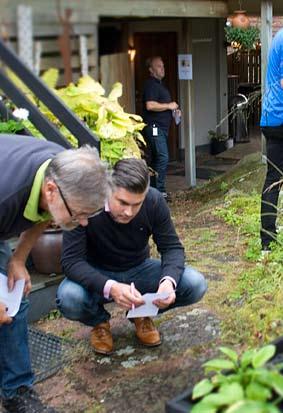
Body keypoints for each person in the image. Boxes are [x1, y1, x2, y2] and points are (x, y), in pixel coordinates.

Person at [0, 134, 111, 413]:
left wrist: (19, 258)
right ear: (51, 191)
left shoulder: (60, 171)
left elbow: (45, 215)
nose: (83, 222)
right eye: (79, 213)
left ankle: (17, 392)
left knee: (12, 298)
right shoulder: (6, 194)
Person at [57, 158, 207, 355]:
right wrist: (111, 288)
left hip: (138, 268)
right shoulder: (84, 203)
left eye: (136, 204)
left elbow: (171, 248)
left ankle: (141, 314)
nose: (129, 212)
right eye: (122, 203)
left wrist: (167, 282)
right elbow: (71, 261)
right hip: (96, 272)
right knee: (69, 297)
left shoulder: (153, 200)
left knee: (195, 283)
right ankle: (99, 322)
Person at [142, 56, 181, 199]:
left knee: (156, 159)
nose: (162, 68)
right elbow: (150, 105)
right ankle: (159, 192)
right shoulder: (151, 84)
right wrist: (169, 105)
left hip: (161, 128)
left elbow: (160, 106)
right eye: (159, 66)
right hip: (154, 127)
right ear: (151, 70)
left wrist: (173, 111)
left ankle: (153, 191)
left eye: (163, 66)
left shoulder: (160, 85)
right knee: (163, 157)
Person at [260, 28, 283, 251]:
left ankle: (267, 239)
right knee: (274, 179)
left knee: (274, 178)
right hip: (280, 118)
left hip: (271, 118)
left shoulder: (280, 36)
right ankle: (268, 237)